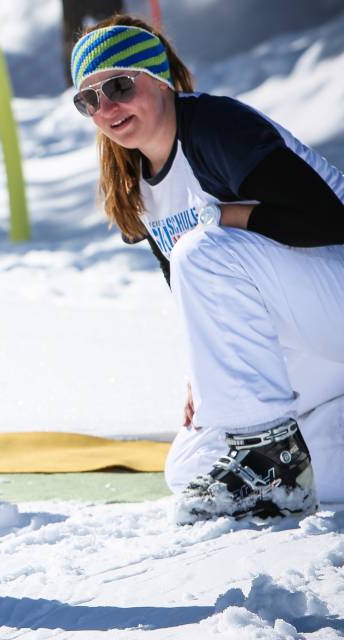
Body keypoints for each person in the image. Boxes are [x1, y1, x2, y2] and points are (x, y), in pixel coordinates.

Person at [69, 15, 344, 523]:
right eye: (89, 99)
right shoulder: (137, 184)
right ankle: (288, 458)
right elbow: (195, 292)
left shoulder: (215, 127)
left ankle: (274, 463)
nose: (106, 107)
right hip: (304, 337)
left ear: (159, 78)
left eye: (120, 86)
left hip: (332, 293)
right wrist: (210, 378)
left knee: (202, 247)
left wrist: (223, 216)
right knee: (190, 466)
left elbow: (328, 218)